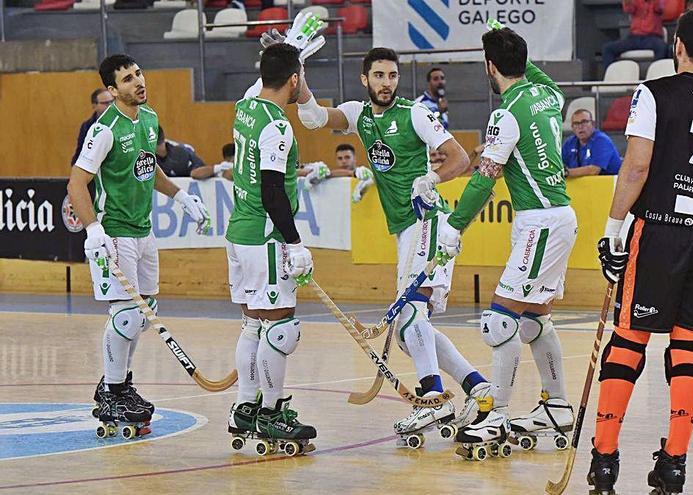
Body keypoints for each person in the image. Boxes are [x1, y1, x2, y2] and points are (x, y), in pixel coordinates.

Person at [294, 44, 495, 443]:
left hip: (426, 221)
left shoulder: (415, 114)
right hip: (407, 230)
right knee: (409, 328)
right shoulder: (359, 115)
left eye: (392, 76)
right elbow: (314, 117)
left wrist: (432, 180)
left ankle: (433, 397)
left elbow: (458, 158)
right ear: (365, 79)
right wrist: (296, 67)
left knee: (409, 316)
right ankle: (478, 388)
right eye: (379, 76)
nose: (387, 83)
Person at [590, 9, 693, 494]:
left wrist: (613, 228)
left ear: (677, 45)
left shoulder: (652, 93)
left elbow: (636, 168)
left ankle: (604, 461)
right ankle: (674, 464)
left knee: (629, 342)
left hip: (659, 232)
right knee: (689, 349)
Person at [437, 20, 577, 457]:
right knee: (533, 318)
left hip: (539, 224)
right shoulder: (548, 95)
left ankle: (494, 413)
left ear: (489, 66)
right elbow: (531, 71)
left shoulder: (506, 113)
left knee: (500, 320)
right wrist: (507, 44)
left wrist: (453, 225)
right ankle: (556, 406)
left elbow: (484, 179)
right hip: (562, 218)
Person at [67, 54, 210, 438]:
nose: (138, 82)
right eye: (128, 80)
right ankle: (113, 392)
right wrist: (93, 228)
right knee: (127, 314)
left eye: (139, 74)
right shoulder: (105, 129)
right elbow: (76, 183)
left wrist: (180, 197)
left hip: (144, 231)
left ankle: (119, 383)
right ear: (112, 91)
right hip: (114, 233)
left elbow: (150, 168)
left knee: (143, 315)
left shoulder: (148, 119)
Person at [225, 39, 323, 454]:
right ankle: (270, 412)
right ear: (295, 79)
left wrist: (291, 48)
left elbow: (261, 83)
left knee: (253, 323)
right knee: (281, 326)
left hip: (238, 234)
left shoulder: (245, 108)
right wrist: (295, 242)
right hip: (265, 235)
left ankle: (245, 407)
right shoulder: (277, 126)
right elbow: (272, 191)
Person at [602, 0, 668, 68]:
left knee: (663, 47)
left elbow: (660, 8)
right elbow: (629, 9)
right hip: (634, 38)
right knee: (608, 49)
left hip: (652, 38)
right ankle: (613, 76)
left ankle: (656, 74)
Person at [562, 109, 623, 177]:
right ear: (572, 127)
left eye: (584, 122)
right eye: (576, 123)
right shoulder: (570, 143)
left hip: (611, 185)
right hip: (584, 185)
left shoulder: (602, 140)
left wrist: (566, 173)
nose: (580, 127)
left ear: (593, 124)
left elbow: (594, 170)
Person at [71, 88, 115, 165]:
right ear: (94, 105)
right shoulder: (87, 126)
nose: (110, 105)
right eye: (106, 103)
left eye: (112, 101)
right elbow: (81, 150)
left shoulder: (122, 122)